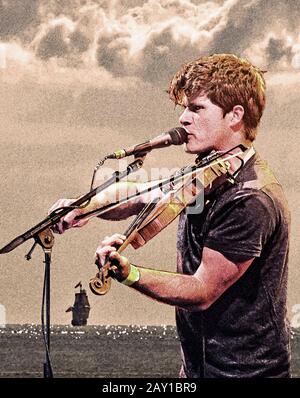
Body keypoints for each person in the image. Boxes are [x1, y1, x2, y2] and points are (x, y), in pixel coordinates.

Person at [49, 54, 291, 378]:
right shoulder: (207, 173)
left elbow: (201, 291)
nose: (184, 119)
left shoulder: (249, 198)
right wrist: (85, 206)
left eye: (196, 108)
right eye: (185, 108)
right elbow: (141, 193)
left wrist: (130, 273)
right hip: (197, 371)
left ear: (235, 116)